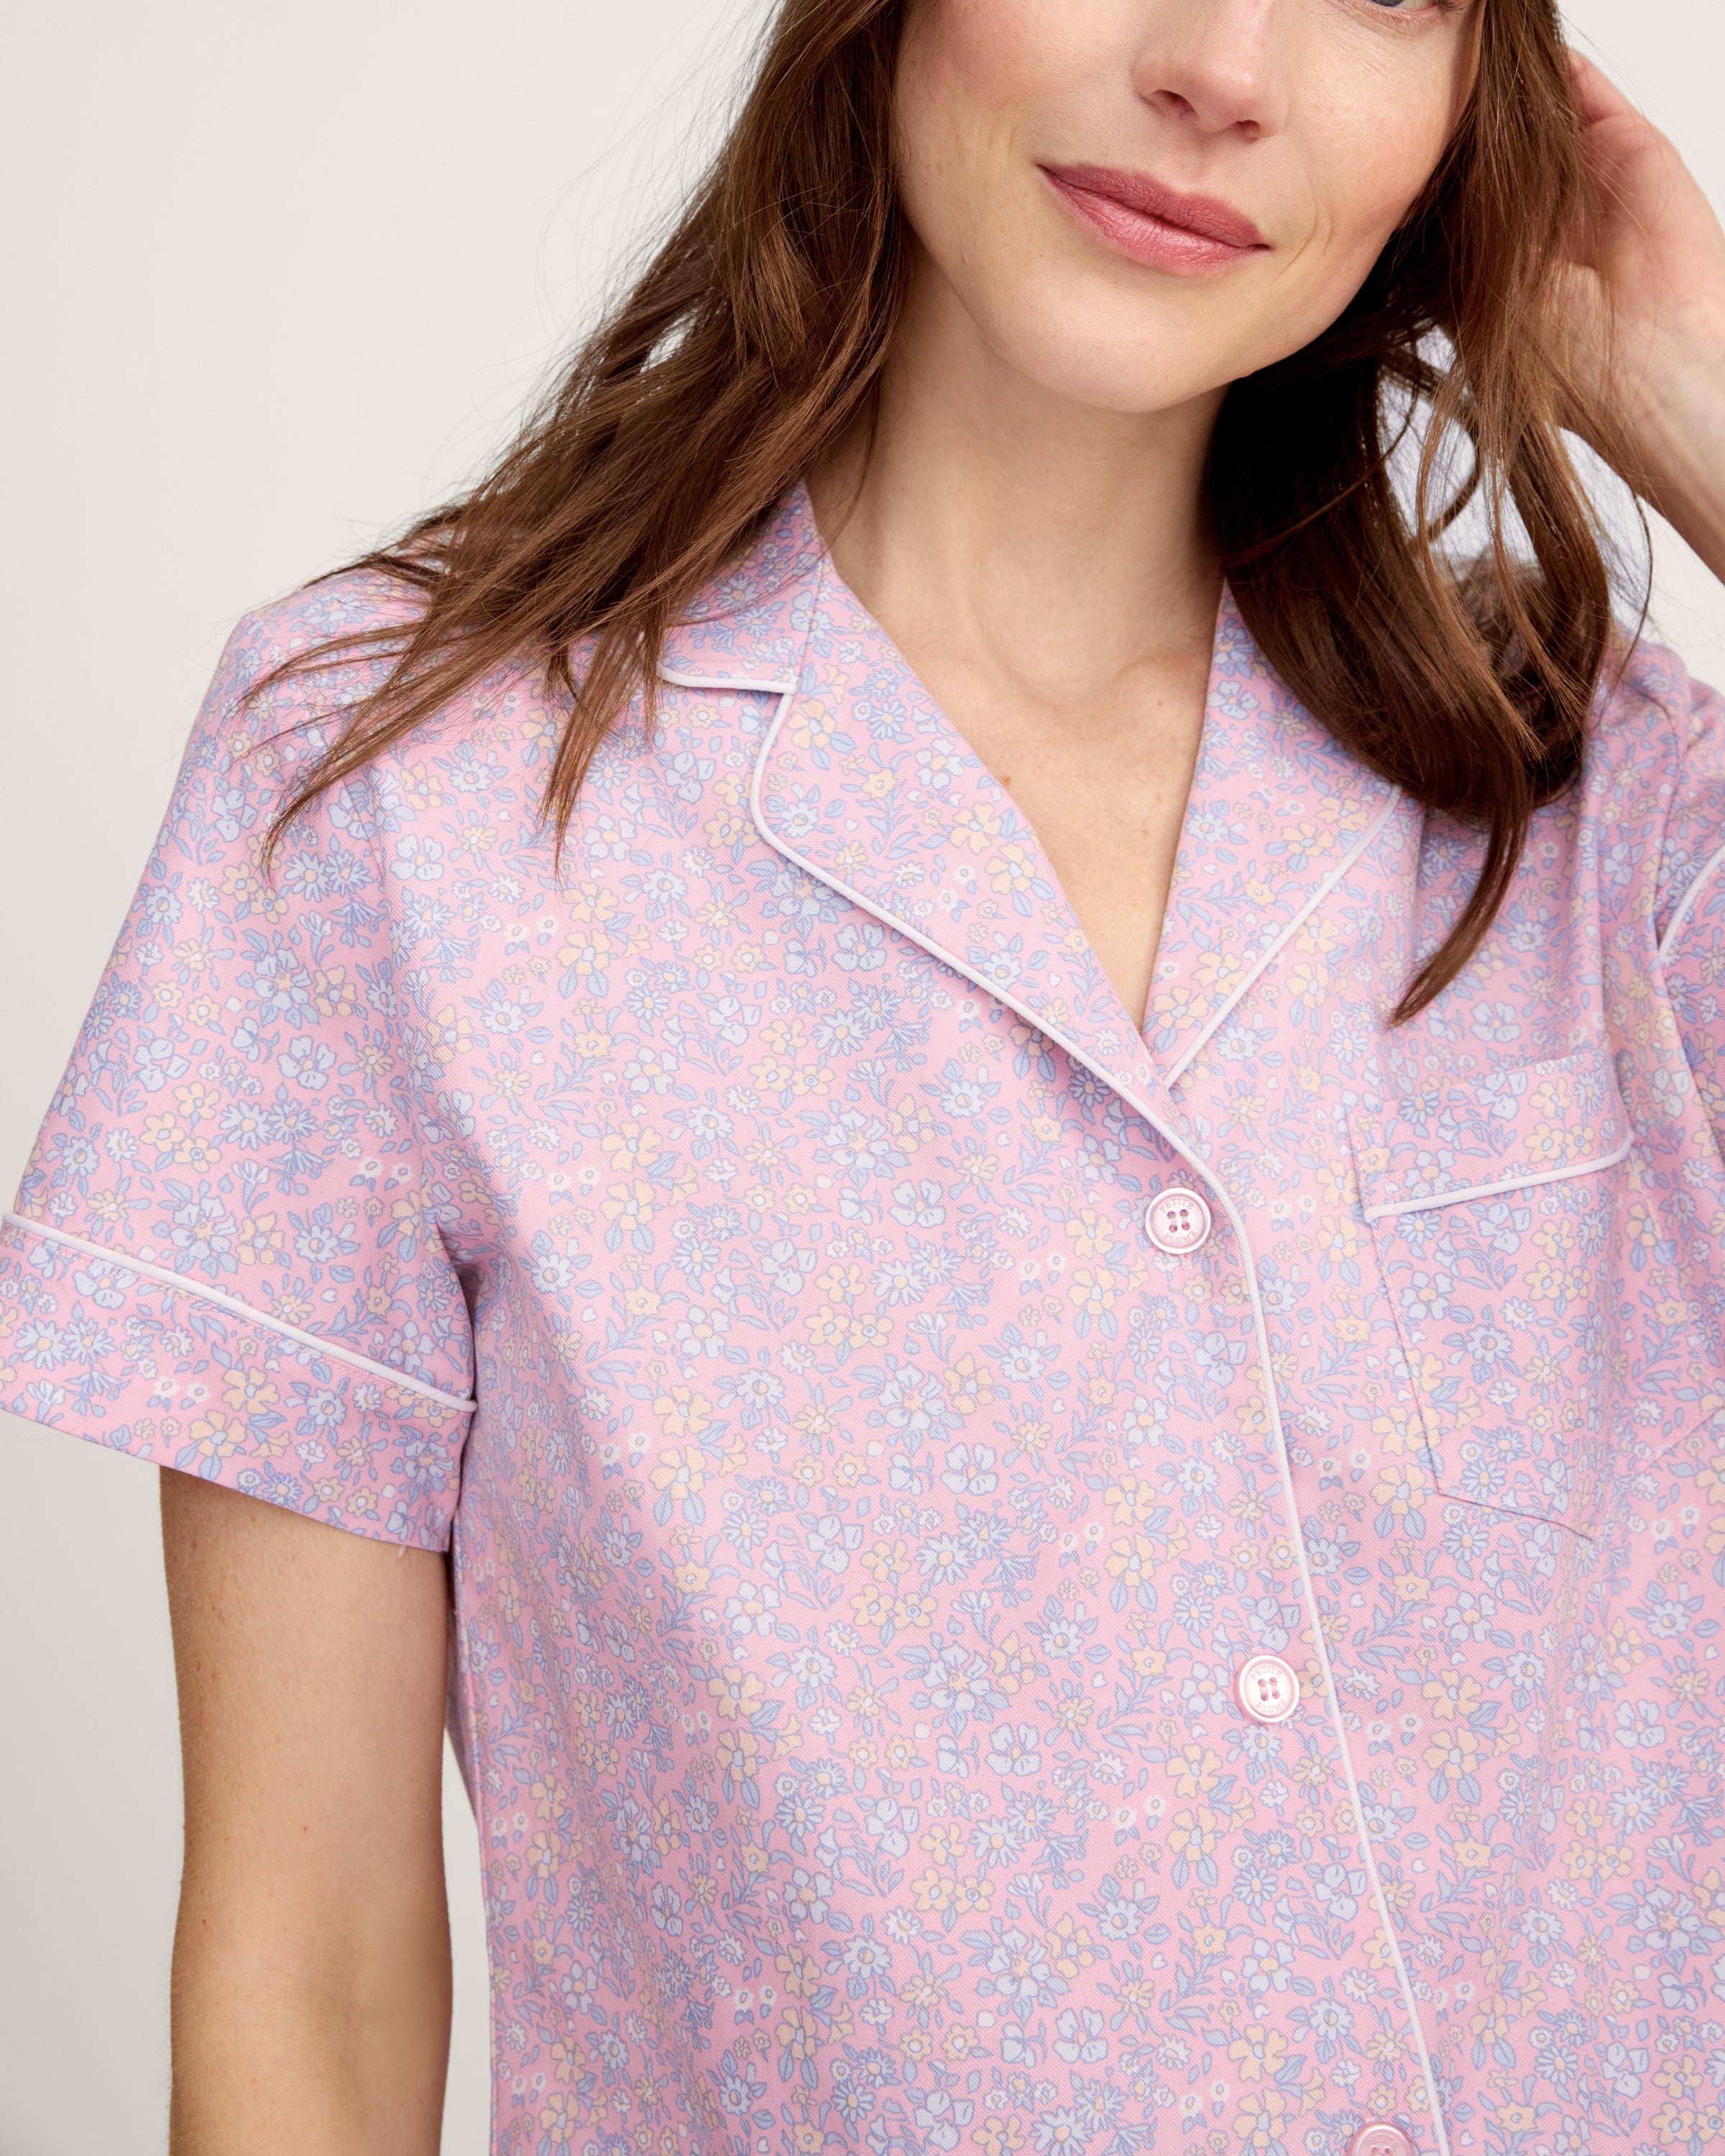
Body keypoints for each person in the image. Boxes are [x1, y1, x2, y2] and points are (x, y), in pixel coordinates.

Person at [6, 1, 1725, 2150]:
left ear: (1478, 108)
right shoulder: (389, 797)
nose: (1225, 64)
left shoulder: (1607, 811)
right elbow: (313, 1987)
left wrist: (1699, 400)